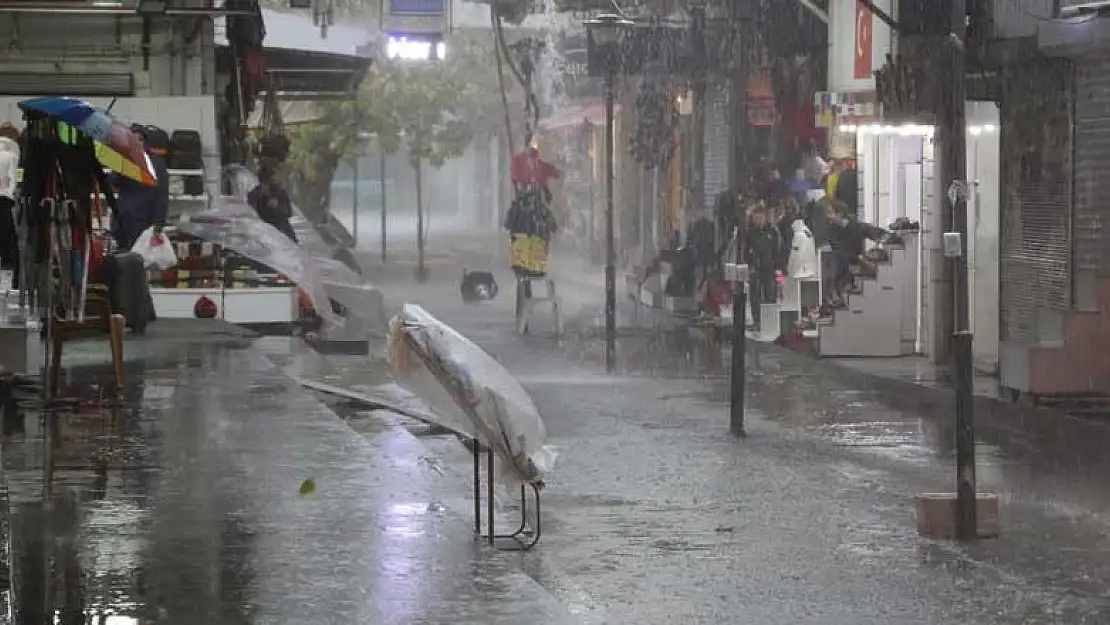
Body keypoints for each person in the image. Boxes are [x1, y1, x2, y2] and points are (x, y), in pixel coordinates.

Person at [112, 124, 169, 251]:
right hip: (123, 219)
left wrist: (158, 223)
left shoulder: (155, 163)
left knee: (141, 258)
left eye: (139, 139)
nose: (136, 143)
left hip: (145, 220)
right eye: (132, 140)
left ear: (145, 141)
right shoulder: (124, 160)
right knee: (123, 258)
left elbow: (162, 194)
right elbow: (114, 181)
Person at [248, 163, 297, 243]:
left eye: (277, 183)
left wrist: (276, 207)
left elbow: (288, 214)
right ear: (263, 183)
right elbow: (253, 219)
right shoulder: (254, 196)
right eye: (272, 182)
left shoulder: (281, 194)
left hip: (284, 236)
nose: (276, 186)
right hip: (264, 238)